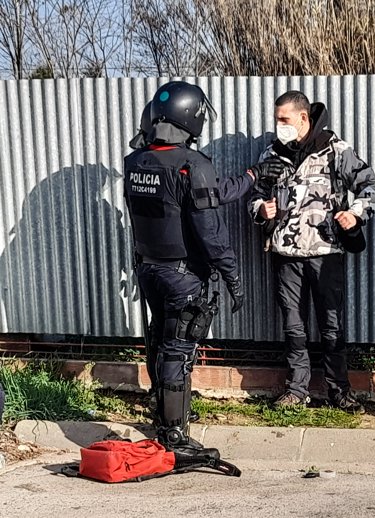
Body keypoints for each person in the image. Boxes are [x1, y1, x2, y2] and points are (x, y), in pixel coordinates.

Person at [123, 81, 277, 452]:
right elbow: (210, 231)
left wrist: (252, 176)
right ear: (190, 117)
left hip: (148, 269)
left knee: (160, 342)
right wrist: (233, 276)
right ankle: (175, 438)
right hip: (182, 275)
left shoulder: (136, 161)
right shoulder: (193, 165)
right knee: (179, 350)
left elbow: (203, 196)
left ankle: (162, 421)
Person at [248, 90, 375, 412]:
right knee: (293, 328)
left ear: (304, 118)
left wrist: (355, 213)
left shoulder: (335, 150)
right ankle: (296, 390)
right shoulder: (271, 154)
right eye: (276, 119)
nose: (279, 125)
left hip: (325, 252)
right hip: (285, 254)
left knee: (331, 326)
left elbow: (371, 185)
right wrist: (259, 210)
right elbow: (254, 194)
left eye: (284, 119)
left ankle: (340, 392)